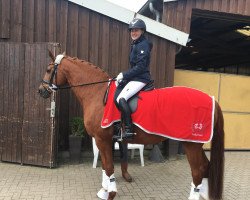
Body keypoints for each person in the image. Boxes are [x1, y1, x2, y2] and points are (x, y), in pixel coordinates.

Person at [114, 18, 153, 139]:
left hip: (141, 78)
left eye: (136, 30)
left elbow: (141, 67)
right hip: (135, 77)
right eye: (132, 30)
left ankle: (129, 130)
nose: (133, 33)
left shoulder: (143, 44)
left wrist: (124, 75)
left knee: (121, 98)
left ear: (142, 31)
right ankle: (119, 125)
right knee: (118, 91)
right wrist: (123, 78)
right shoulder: (136, 44)